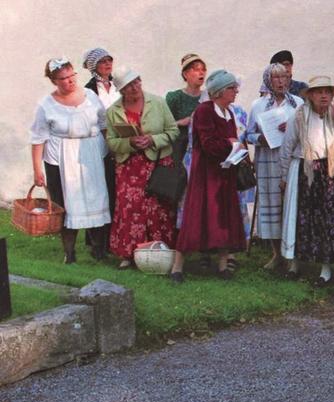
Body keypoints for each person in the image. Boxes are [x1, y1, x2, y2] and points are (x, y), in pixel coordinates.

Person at [278, 76, 334, 286]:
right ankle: (295, 264)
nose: (324, 95)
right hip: (305, 171)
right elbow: (287, 148)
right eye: (319, 91)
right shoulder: (299, 116)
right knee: (300, 218)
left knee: (329, 219)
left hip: (331, 172)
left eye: (327, 92)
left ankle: (325, 268)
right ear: (311, 96)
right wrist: (284, 176)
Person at [29, 58, 111, 264]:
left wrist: (112, 149)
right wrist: (37, 169)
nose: (69, 81)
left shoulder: (91, 96)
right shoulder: (46, 105)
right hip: (61, 157)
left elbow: (103, 123)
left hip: (92, 152)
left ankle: (98, 249)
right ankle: (70, 252)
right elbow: (38, 138)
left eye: (71, 76)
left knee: (97, 198)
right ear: (54, 81)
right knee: (64, 204)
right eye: (63, 79)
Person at [172, 69, 247, 282]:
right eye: (232, 88)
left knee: (224, 219)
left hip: (224, 173)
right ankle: (177, 267)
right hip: (205, 175)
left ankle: (223, 265)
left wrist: (235, 150)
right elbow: (207, 143)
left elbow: (228, 140)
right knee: (195, 218)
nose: (236, 91)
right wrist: (231, 144)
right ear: (219, 92)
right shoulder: (204, 111)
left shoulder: (229, 113)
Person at [104, 68, 180, 269]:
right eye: (129, 86)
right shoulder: (113, 111)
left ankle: (161, 249)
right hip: (129, 167)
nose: (135, 87)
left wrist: (153, 139)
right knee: (130, 208)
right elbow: (111, 142)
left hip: (157, 163)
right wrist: (130, 142)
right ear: (121, 91)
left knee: (158, 207)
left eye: (137, 82)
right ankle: (128, 254)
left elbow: (173, 131)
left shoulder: (158, 102)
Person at [245, 63, 304, 271]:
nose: (281, 81)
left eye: (285, 77)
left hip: (290, 159)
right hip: (266, 161)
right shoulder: (258, 105)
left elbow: (305, 131)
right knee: (270, 205)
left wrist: (292, 129)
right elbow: (248, 134)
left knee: (289, 205)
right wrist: (260, 137)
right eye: (277, 78)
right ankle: (276, 254)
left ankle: (293, 258)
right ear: (269, 80)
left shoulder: (297, 103)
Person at [81, 47, 118, 260]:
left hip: (120, 141)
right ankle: (96, 240)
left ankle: (113, 239)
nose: (107, 64)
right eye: (103, 61)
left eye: (109, 60)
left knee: (114, 191)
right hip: (99, 144)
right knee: (99, 190)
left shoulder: (117, 85)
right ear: (95, 66)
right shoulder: (89, 90)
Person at [165, 54, 206, 134]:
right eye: (196, 70)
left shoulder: (208, 97)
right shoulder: (174, 98)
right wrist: (180, 122)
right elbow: (163, 127)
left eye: (204, 70)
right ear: (185, 74)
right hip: (180, 144)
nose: (201, 73)